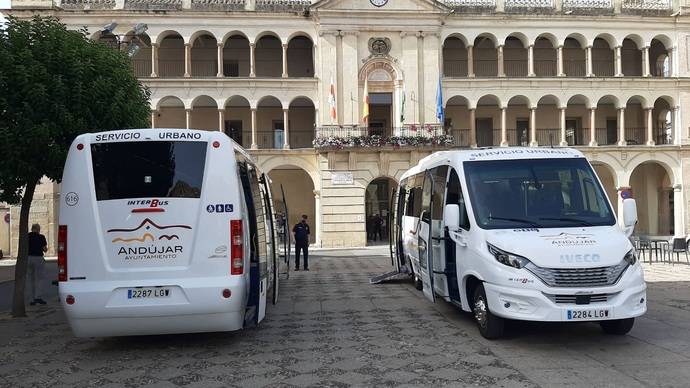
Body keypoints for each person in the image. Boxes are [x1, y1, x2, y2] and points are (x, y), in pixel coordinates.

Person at [27, 223, 48, 305]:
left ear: (32, 229)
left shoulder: (27, 236)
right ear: (37, 229)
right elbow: (45, 249)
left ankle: (31, 299)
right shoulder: (41, 237)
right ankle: (38, 297)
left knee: (30, 278)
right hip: (38, 258)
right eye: (39, 229)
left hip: (28, 258)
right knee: (40, 278)